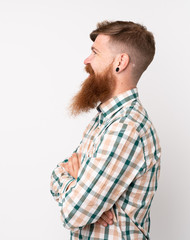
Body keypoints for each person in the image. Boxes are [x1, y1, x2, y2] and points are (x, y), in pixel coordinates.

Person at [50, 20, 161, 239]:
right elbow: (56, 174)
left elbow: (73, 215)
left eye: (95, 53)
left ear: (120, 62)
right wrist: (83, 193)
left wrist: (86, 204)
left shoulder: (126, 128)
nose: (86, 60)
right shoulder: (104, 120)